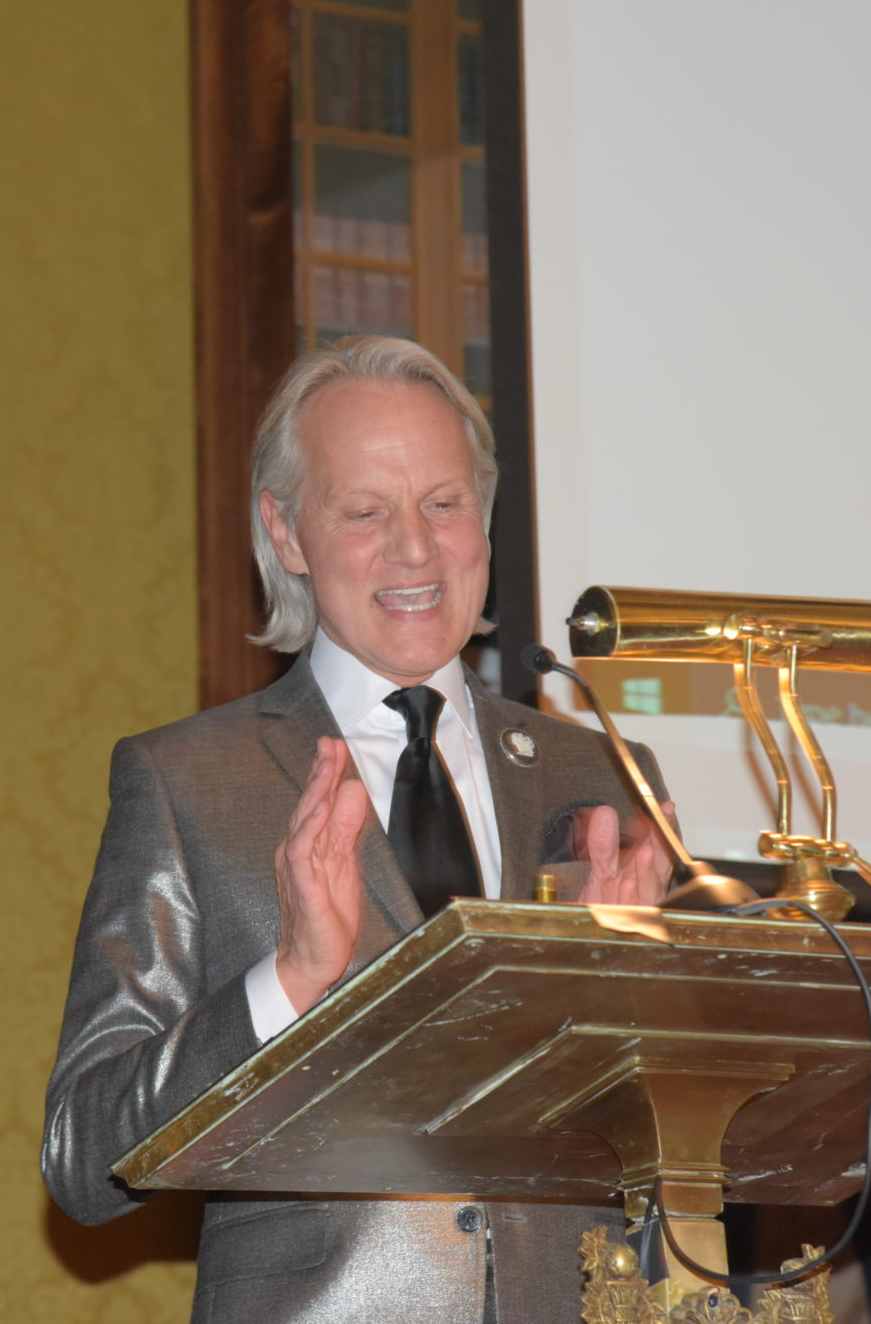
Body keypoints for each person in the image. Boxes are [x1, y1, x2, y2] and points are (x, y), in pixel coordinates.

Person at [42, 335, 677, 1323]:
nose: (414, 549)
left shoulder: (596, 777)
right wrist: (287, 979)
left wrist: (626, 992)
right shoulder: (189, 781)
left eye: (443, 502)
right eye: (363, 512)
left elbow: (684, 1136)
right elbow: (83, 1154)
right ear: (285, 533)